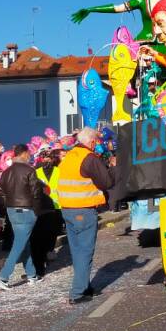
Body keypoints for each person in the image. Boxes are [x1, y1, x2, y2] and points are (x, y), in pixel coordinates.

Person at [59, 127, 115, 304]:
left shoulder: (71, 155)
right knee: (85, 251)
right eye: (97, 141)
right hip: (83, 209)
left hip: (68, 209)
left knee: (77, 252)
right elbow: (106, 182)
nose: (98, 144)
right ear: (91, 142)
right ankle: (77, 293)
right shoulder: (89, 158)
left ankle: (85, 286)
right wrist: (113, 167)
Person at [0, 145, 46, 289]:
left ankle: (32, 275)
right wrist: (37, 211)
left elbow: (2, 193)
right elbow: (36, 193)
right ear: (24, 154)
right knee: (19, 245)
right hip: (27, 210)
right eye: (28, 153)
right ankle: (3, 277)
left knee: (23, 242)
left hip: (12, 210)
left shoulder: (6, 172)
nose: (30, 156)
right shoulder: (30, 170)